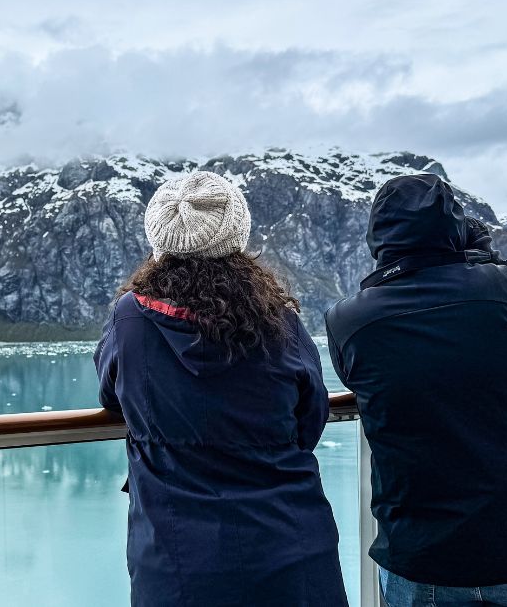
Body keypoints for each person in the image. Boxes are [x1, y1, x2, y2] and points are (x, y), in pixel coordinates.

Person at [324, 174, 507, 607]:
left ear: (377, 238)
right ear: (455, 228)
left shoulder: (347, 321)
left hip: (422, 556)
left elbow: (361, 377)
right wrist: (486, 262)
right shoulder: (504, 288)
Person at [95, 171, 348, 607]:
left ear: (161, 240)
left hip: (177, 563)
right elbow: (311, 416)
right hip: (290, 547)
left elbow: (110, 395)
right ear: (237, 236)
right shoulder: (278, 319)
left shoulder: (130, 320)